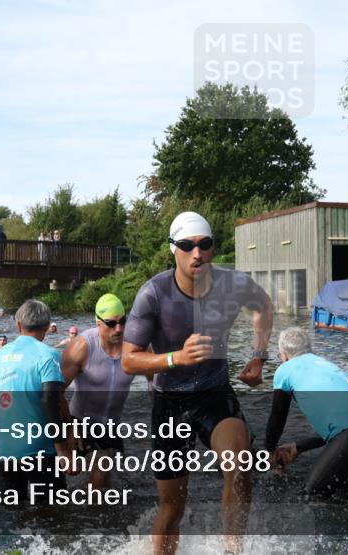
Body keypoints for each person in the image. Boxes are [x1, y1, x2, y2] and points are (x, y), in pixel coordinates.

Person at [122, 211, 273, 555]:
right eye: (187, 246)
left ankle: (233, 551)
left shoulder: (233, 284)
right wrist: (176, 358)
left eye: (205, 245)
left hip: (214, 393)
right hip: (169, 401)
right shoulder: (153, 293)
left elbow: (263, 304)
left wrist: (258, 356)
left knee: (240, 463)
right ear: (172, 249)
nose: (197, 253)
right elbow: (129, 359)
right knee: (172, 507)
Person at [264, 327, 348, 496]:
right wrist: (298, 447)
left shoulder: (285, 369)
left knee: (309, 497)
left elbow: (277, 418)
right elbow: (338, 428)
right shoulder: (326, 365)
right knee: (346, 497)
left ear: (284, 355)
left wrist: (269, 452)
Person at [0, 299, 76, 502]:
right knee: (51, 513)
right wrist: (62, 450)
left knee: (13, 514)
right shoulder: (48, 355)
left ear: (18, 324)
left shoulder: (0, 355)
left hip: (5, 449)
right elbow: (50, 400)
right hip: (39, 449)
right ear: (47, 326)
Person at [61, 294, 145, 489]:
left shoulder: (134, 345)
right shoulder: (82, 346)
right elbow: (54, 392)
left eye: (123, 321)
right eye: (111, 323)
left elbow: (154, 380)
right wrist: (69, 428)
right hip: (79, 421)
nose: (119, 329)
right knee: (98, 476)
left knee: (105, 482)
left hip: (111, 426)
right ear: (98, 322)